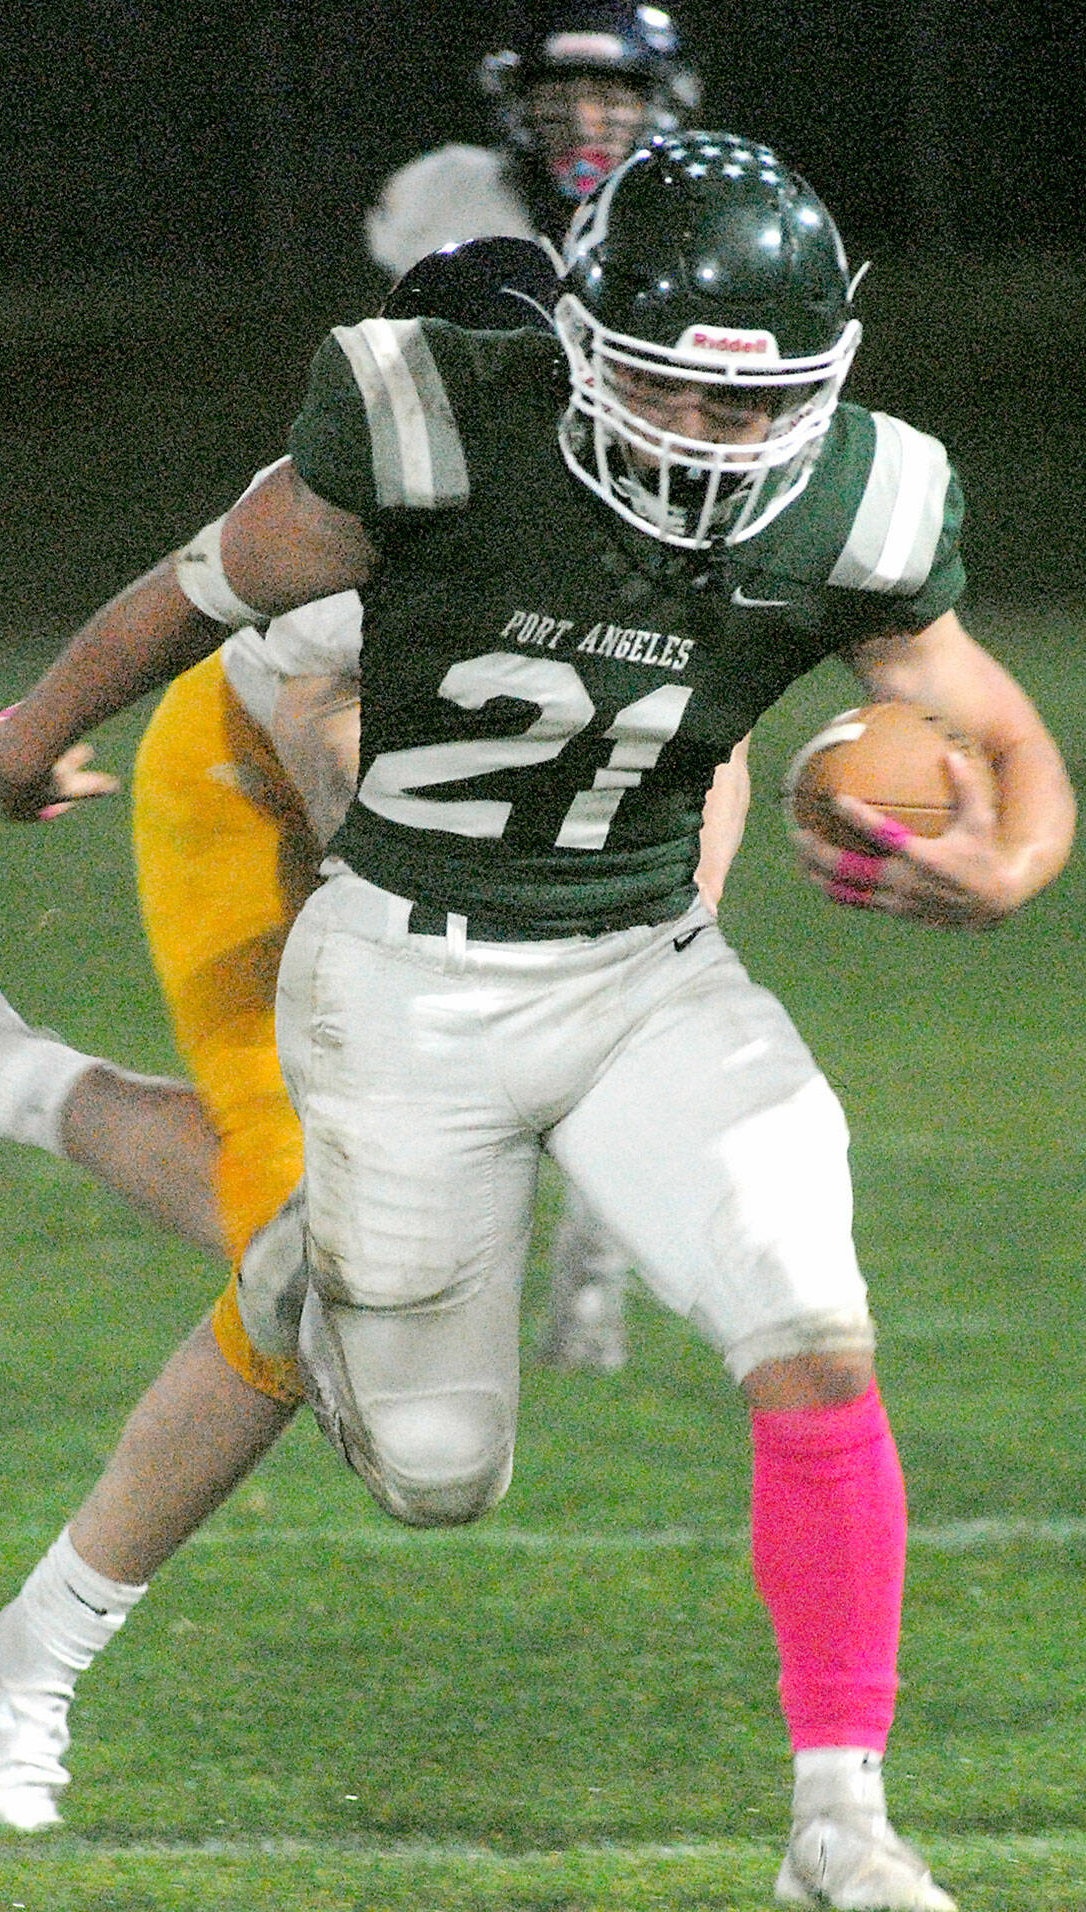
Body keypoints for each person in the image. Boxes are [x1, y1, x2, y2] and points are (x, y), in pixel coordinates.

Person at [0, 131, 1075, 1907]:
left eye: (760, 406)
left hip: (643, 969)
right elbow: (198, 592)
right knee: (435, 1475)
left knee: (811, 1319)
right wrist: (28, 730)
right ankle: (293, 1266)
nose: (719, 445)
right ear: (578, 337)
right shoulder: (426, 424)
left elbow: (1001, 730)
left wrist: (1009, 867)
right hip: (405, 965)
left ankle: (840, 1822)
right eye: (675, 395)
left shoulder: (860, 496)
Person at [0, 239, 746, 1833]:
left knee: (363, 1307)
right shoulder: (368, 499)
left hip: (454, 835)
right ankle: (25, 1655)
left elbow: (693, 759)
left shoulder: (663, 495)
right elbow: (335, 761)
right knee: (309, 1255)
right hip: (253, 795)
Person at [367, 3, 708, 1368]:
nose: (585, 119)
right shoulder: (448, 200)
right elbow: (407, 381)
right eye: (562, 92)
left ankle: (595, 1237)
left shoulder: (696, 210)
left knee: (642, 915)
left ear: (662, 100)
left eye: (613, 93)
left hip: (643, 606)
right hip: (474, 591)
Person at [366, 2, 702, 277]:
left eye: (610, 100)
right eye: (557, 99)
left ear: (659, 107)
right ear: (519, 104)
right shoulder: (450, 190)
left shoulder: (691, 207)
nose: (585, 126)